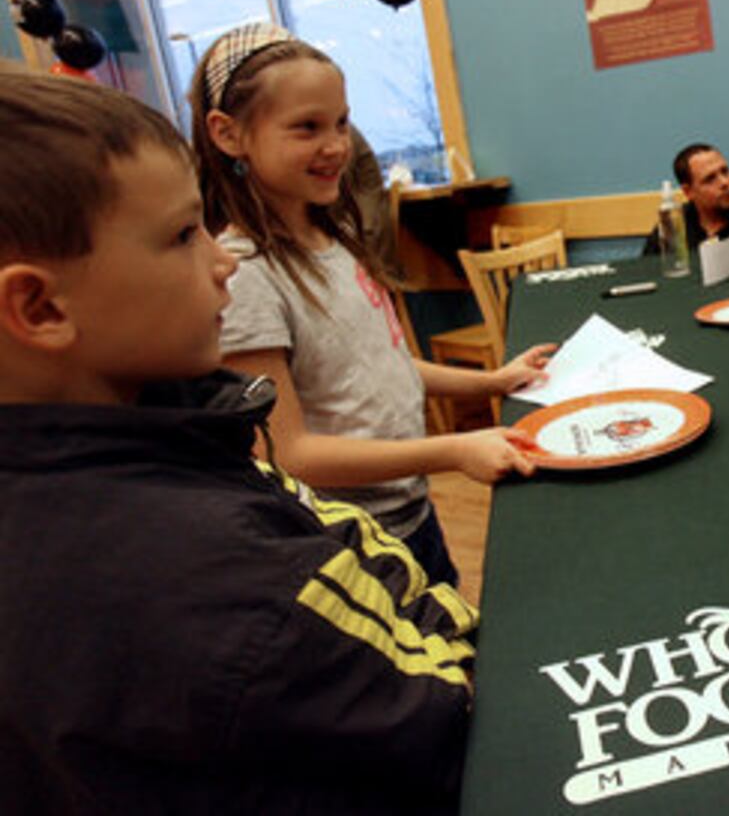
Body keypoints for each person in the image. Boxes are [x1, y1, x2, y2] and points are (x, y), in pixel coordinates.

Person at [0, 68, 476, 812]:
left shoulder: (184, 427)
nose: (221, 261)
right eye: (183, 236)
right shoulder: (222, 584)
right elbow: (447, 721)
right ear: (39, 305)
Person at [191, 22, 553, 587]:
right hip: (354, 546)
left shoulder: (332, 241)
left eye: (340, 122)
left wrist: (492, 383)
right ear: (228, 134)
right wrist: (451, 450)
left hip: (412, 518)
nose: (336, 145)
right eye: (307, 127)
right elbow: (291, 452)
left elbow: (383, 367)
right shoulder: (247, 275)